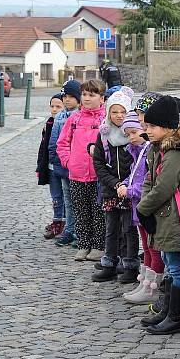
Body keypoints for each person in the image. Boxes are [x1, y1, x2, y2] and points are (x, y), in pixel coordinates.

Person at [137, 96, 180, 335]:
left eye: (153, 126)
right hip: (162, 214)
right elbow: (149, 180)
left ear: (168, 128)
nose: (148, 130)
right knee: (170, 262)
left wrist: (143, 208)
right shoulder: (158, 149)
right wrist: (144, 205)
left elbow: (164, 187)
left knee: (178, 265)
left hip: (174, 217)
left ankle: (177, 315)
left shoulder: (175, 154)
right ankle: (169, 310)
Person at [56, 79, 108, 262]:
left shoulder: (105, 120)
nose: (87, 98)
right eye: (84, 94)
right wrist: (68, 161)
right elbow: (62, 143)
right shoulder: (74, 119)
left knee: (98, 212)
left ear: (101, 98)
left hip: (98, 175)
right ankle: (83, 244)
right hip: (76, 174)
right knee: (80, 211)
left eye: (91, 95)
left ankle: (98, 246)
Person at [92, 90, 139, 283]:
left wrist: (126, 184)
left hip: (129, 191)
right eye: (115, 112)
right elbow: (99, 164)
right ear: (108, 113)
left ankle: (130, 265)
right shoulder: (104, 135)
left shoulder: (133, 136)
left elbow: (138, 164)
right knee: (111, 229)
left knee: (129, 229)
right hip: (110, 190)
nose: (119, 116)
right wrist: (114, 183)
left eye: (123, 112)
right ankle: (109, 263)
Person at [119, 111, 164, 304]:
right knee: (145, 246)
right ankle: (145, 282)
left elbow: (148, 181)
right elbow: (134, 174)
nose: (131, 137)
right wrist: (124, 184)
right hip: (139, 208)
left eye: (134, 132)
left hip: (147, 208)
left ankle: (152, 287)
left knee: (153, 248)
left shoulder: (148, 151)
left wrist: (130, 191)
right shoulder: (137, 152)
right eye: (127, 133)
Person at [49, 80, 82, 247]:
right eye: (65, 96)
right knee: (68, 200)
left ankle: (80, 232)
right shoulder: (60, 117)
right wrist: (55, 160)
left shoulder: (81, 115)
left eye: (71, 96)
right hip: (63, 164)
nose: (67, 100)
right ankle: (69, 229)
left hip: (78, 166)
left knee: (79, 201)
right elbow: (54, 141)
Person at [38, 92, 65, 239]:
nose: (54, 109)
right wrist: (40, 166)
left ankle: (67, 223)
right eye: (52, 106)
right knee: (56, 196)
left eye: (58, 106)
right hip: (50, 166)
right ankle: (57, 221)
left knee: (67, 196)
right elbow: (43, 147)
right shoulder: (48, 123)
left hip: (65, 167)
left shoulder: (67, 122)